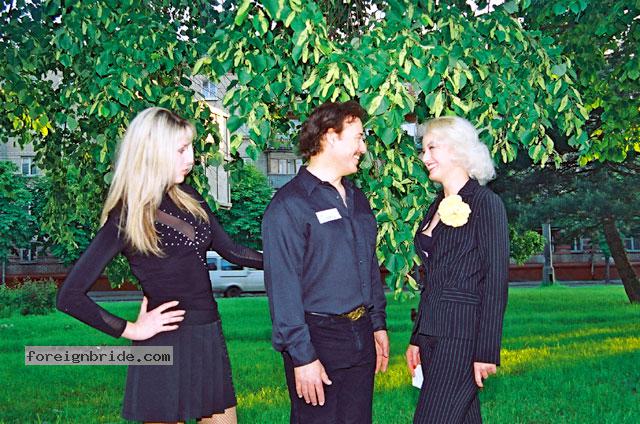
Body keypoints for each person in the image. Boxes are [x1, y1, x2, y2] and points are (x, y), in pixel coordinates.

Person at [56, 107, 262, 424]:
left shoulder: (189, 197)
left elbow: (232, 251)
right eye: (181, 150)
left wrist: (294, 261)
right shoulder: (127, 217)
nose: (190, 158)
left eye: (190, 148)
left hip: (207, 334)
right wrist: (132, 329)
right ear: (153, 153)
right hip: (162, 341)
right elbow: (69, 296)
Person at [262, 101, 389, 424]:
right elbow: (283, 288)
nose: (363, 148)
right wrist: (303, 357)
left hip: (361, 336)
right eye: (358, 138)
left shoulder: (357, 199)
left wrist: (377, 324)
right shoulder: (289, 205)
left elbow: (368, 265)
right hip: (317, 340)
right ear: (331, 137)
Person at [405, 116, 509, 423]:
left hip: (461, 339)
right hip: (432, 334)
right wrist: (417, 336)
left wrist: (486, 351)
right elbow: (433, 278)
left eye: (432, 148)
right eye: (423, 149)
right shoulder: (435, 207)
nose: (424, 157)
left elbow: (495, 281)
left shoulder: (486, 203)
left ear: (458, 149)